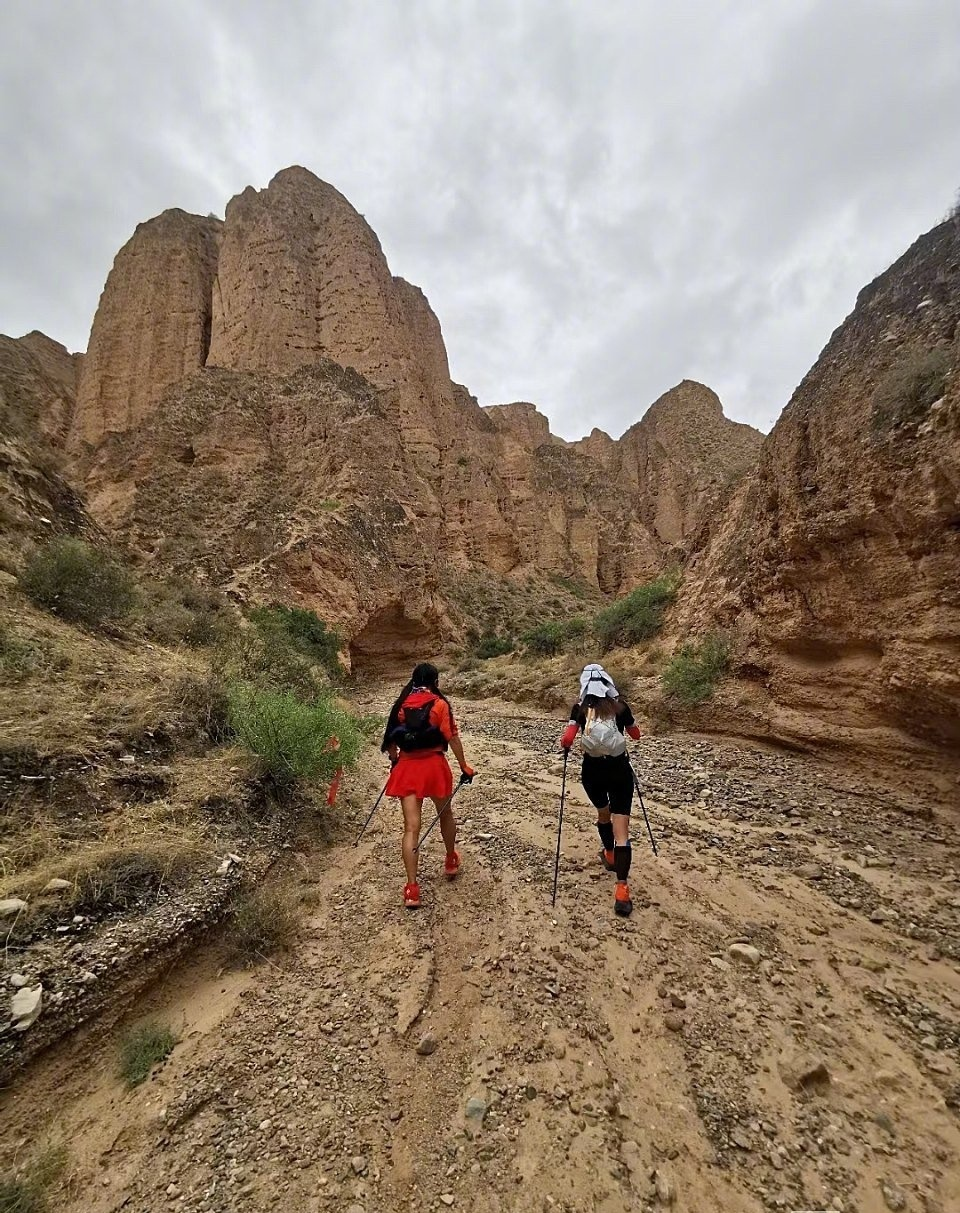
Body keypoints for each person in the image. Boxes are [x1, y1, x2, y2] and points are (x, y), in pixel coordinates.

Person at [381, 662, 476, 909]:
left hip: (407, 768)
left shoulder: (401, 704)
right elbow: (451, 736)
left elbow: (391, 742)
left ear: (413, 681)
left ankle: (412, 888)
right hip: (434, 767)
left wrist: (394, 762)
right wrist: (464, 765)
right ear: (436, 681)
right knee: (445, 814)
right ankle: (450, 859)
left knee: (411, 827)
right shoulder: (440, 704)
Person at [559, 663, 642, 917]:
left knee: (603, 814)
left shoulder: (581, 708)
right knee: (622, 831)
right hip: (620, 772)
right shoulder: (619, 707)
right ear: (608, 683)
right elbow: (636, 735)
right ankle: (622, 890)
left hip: (593, 773)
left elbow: (567, 740)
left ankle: (609, 854)